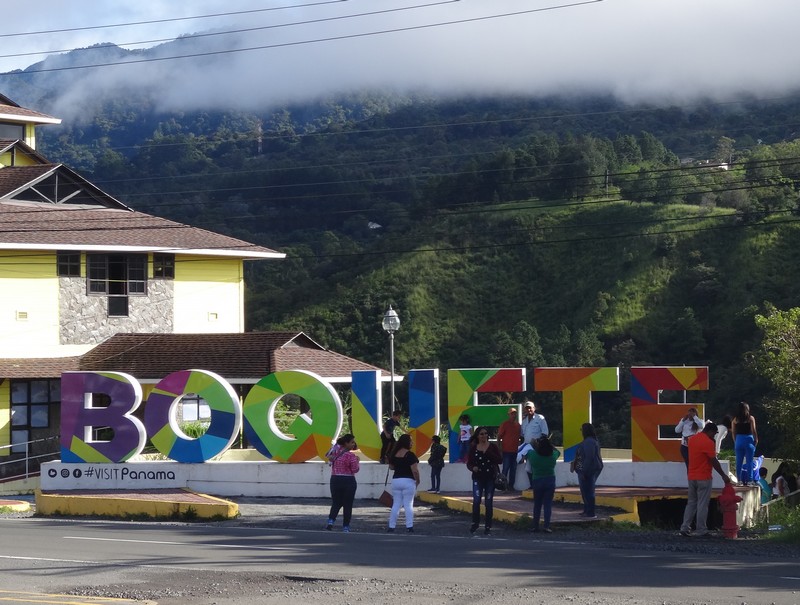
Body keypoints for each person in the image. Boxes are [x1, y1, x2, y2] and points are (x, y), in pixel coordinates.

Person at [679, 421, 732, 537]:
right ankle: (701, 529)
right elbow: (714, 461)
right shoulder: (707, 442)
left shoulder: (692, 440)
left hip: (691, 476)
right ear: (710, 431)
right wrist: (723, 475)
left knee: (691, 503)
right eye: (714, 434)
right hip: (704, 477)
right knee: (702, 504)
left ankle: (685, 527)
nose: (713, 436)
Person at [466, 426, 502, 535]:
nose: (484, 436)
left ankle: (488, 525)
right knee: (476, 501)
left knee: (488, 501)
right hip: (478, 477)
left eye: (485, 433)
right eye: (481, 434)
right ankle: (475, 523)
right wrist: (473, 468)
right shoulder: (474, 448)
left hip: (490, 477)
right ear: (477, 436)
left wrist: (487, 452)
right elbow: (469, 463)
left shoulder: (492, 447)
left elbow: (499, 460)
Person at [325, 434, 360, 532]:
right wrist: (357, 461)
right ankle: (345, 526)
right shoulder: (351, 456)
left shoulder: (334, 452)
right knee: (348, 504)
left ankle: (331, 521)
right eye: (352, 442)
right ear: (346, 443)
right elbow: (355, 469)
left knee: (336, 502)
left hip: (335, 479)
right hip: (348, 481)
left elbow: (327, 455)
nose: (353, 444)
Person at [387, 434, 420, 533]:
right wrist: (418, 480)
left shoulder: (394, 454)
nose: (412, 443)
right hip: (408, 481)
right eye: (411, 441)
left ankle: (391, 526)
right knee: (408, 504)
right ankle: (409, 526)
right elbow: (415, 471)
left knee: (396, 504)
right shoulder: (410, 455)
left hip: (396, 480)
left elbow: (391, 467)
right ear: (407, 442)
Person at [527, 434, 560, 533]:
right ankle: (546, 526)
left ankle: (535, 526)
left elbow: (530, 447)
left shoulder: (532, 454)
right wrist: (550, 443)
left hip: (537, 480)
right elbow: (558, 451)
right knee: (547, 504)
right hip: (550, 480)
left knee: (537, 504)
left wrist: (536, 444)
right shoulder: (553, 455)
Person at [570, 422, 604, 518]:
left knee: (588, 491)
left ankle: (590, 512)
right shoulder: (591, 441)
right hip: (586, 469)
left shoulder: (589, 442)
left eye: (581, 430)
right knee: (585, 490)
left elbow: (589, 457)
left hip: (588, 469)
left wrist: (584, 471)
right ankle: (587, 510)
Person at [520, 399, 548, 488]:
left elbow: (545, 433)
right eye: (527, 408)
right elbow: (522, 436)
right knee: (528, 468)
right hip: (527, 448)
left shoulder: (540, 418)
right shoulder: (524, 421)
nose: (528, 410)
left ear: (534, 408)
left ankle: (538, 485)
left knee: (537, 467)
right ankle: (533, 485)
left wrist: (539, 445)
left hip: (537, 447)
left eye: (530, 408)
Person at [731, 402, 759, 485]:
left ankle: (738, 480)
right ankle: (750, 480)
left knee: (738, 461)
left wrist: (735, 441)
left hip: (739, 439)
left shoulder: (735, 419)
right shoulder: (750, 418)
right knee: (749, 461)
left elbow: (733, 432)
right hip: (748, 439)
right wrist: (756, 439)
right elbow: (753, 430)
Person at [497, 407, 521, 490]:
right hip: (506, 450)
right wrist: (499, 447)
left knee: (513, 469)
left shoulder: (518, 425)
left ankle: (511, 486)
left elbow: (520, 437)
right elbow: (499, 436)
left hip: (515, 451)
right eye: (512, 414)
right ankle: (503, 486)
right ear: (509, 415)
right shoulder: (505, 424)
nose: (513, 415)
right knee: (505, 468)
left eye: (514, 413)